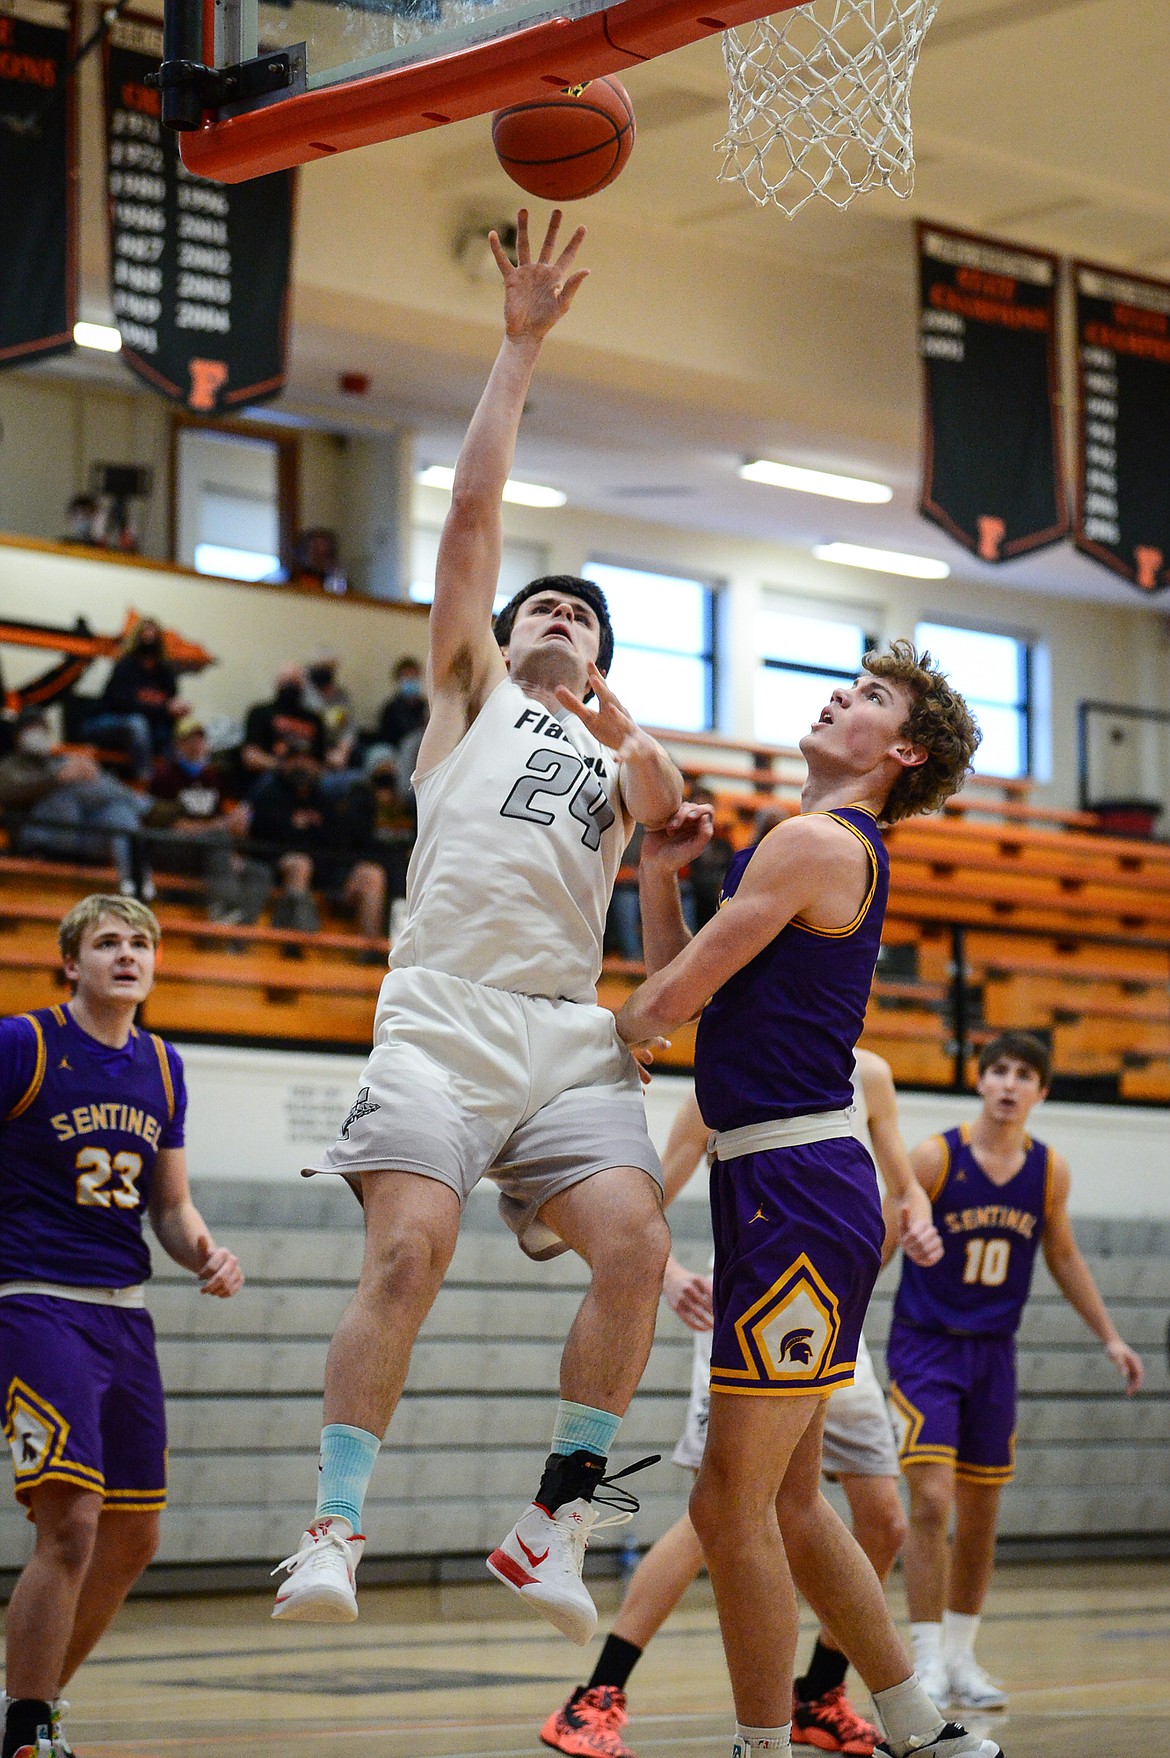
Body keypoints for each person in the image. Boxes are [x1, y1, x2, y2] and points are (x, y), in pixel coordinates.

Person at [270, 210, 683, 1642]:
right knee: (409, 1256)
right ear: (502, 643)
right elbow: (469, 521)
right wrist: (515, 347)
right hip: (443, 1011)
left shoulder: (631, 768)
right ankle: (331, 1529)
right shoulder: (472, 699)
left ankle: (551, 1528)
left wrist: (667, 838)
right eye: (541, 606)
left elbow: (663, 918)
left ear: (602, 663)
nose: (557, 611)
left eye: (582, 612)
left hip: (565, 1036)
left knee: (634, 1249)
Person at [614, 643, 994, 1758]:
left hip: (794, 1179)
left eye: (870, 696)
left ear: (903, 751)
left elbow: (669, 1001)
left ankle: (762, 1744)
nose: (840, 696)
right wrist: (659, 868)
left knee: (729, 1505)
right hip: (778, 1179)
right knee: (782, 1500)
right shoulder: (807, 847)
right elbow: (693, 989)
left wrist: (554, 1061)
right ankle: (921, 1724)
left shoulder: (816, 842)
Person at [542, 1051, 944, 1758]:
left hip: (833, 1315)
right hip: (756, 1310)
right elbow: (646, 1200)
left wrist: (917, 1220)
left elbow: (905, 1191)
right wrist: (668, 1275)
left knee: (882, 1521)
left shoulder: (872, 1074)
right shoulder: (730, 1071)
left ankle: (820, 1696)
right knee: (725, 1515)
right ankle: (597, 1694)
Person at [0, 894, 243, 1758]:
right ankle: (28, 1733)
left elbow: (169, 1206)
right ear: (71, 963)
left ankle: (28, 1704)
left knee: (134, 1533)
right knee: (69, 1524)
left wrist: (205, 1253)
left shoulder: (165, 1067)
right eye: (107, 942)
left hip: (124, 1317)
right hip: (34, 1303)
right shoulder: (23, 1044)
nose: (127, 954)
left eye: (141, 942)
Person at [890, 1030, 1144, 1713]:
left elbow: (1063, 1257)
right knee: (934, 1500)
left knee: (980, 1513)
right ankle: (922, 1662)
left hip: (994, 1353)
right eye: (998, 1070)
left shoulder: (1049, 1170)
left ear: (1042, 1091)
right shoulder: (935, 1156)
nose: (1008, 1083)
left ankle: (962, 1656)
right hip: (926, 1347)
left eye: (1023, 1074)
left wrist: (1111, 1337)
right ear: (979, 1081)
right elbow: (885, 1238)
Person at [0, 709, 153, 896]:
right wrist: (59, 777)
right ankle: (143, 804)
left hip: (77, 836)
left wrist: (89, 771)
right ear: (18, 735)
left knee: (118, 811)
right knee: (72, 786)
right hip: (37, 837)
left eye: (42, 728)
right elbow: (9, 791)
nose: (38, 733)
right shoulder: (10, 765)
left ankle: (136, 881)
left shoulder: (58, 761)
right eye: (32, 728)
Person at [246, 740, 386, 942]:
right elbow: (259, 836)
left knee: (372, 874)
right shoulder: (268, 794)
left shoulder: (327, 800)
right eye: (296, 759)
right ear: (284, 764)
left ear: (319, 766)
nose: (302, 765)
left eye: (308, 760)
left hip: (324, 869)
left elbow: (339, 841)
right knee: (300, 864)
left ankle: (369, 953)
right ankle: (295, 944)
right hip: (277, 867)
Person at [146, 718, 271, 927]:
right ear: (178, 743)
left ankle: (238, 938)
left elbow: (223, 822)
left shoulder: (214, 777)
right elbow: (174, 825)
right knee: (217, 839)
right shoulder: (163, 776)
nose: (196, 745)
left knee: (259, 872)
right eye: (189, 739)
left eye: (200, 739)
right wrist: (221, 828)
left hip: (210, 853)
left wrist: (235, 833)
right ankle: (223, 908)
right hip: (169, 847)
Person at [80, 620, 187, 781]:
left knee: (179, 732)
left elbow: (169, 708)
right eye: (145, 633)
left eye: (153, 634)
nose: (149, 637)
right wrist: (164, 709)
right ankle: (144, 781)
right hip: (107, 722)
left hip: (147, 729)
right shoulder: (125, 666)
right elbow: (121, 704)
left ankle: (169, 786)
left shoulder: (166, 673)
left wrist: (177, 709)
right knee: (137, 723)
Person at [240, 668, 327, 779]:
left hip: (312, 780)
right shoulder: (260, 713)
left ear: (303, 685)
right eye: (286, 681)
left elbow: (322, 761)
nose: (290, 686)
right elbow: (250, 757)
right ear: (277, 684)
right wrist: (283, 766)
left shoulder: (314, 718)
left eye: (295, 682)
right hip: (273, 776)